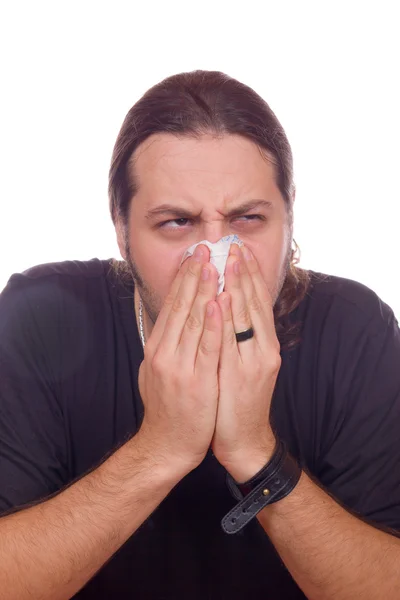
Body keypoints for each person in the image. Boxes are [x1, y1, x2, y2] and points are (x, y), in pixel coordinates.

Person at [0, 69, 399, 600]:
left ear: (290, 216)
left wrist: (257, 453)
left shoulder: (355, 329)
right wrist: (161, 449)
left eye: (248, 218)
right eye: (176, 223)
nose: (216, 260)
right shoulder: (40, 318)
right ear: (121, 229)